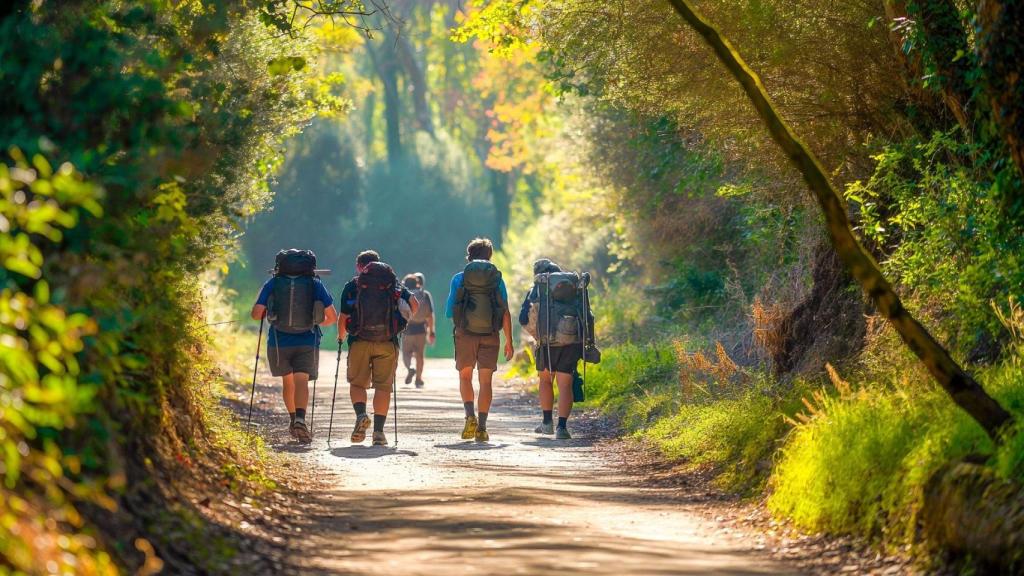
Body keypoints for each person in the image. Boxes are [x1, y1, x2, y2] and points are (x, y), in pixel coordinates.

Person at [251, 249, 337, 444]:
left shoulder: (272, 283)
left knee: (288, 383)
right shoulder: (315, 284)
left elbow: (256, 314)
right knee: (301, 381)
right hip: (307, 340)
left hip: (279, 341)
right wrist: (314, 323)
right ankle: (300, 419)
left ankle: (292, 420)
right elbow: (332, 317)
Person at [337, 250, 417, 446]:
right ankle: (379, 433)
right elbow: (414, 303)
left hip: (359, 341)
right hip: (387, 342)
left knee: (357, 383)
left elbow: (344, 317)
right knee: (383, 387)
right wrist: (402, 322)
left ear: (359, 267)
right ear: (378, 264)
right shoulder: (392, 284)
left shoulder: (352, 286)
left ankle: (361, 414)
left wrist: (341, 338)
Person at [446, 238, 514, 442]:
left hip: (465, 333)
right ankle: (482, 428)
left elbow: (450, 311)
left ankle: (470, 417)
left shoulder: (459, 278)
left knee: (465, 377)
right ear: (490, 256)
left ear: (469, 256)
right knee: (486, 382)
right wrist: (509, 341)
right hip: (490, 334)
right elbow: (505, 312)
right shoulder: (497, 279)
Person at [519, 258, 595, 440]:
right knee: (565, 384)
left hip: (547, 343)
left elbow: (523, 318)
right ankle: (562, 427)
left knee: (546, 381)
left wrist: (536, 335)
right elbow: (588, 315)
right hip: (571, 342)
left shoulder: (537, 289)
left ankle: (546, 423)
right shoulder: (573, 289)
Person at [401, 273, 435, 388]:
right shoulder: (425, 295)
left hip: (407, 330)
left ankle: (410, 368)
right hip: (421, 329)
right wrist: (431, 331)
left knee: (406, 353)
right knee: (420, 355)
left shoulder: (404, 295)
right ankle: (418, 379)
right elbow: (430, 315)